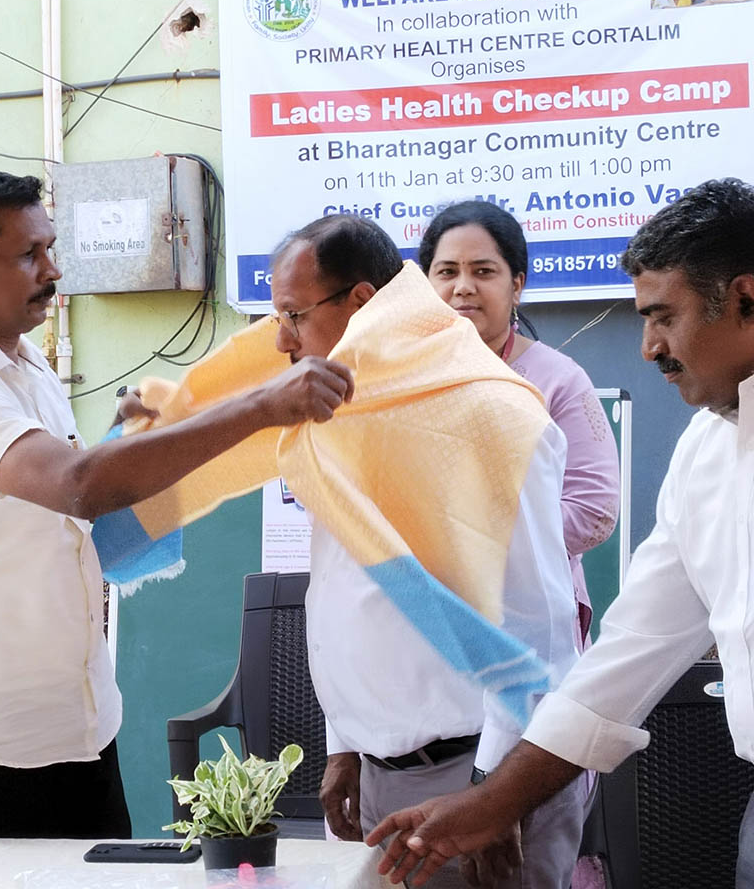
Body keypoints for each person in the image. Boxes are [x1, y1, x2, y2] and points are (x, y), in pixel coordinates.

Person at [0, 170, 354, 840]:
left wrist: (130, 437)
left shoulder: (27, 367)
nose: (53, 270)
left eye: (50, 247)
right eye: (28, 255)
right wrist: (258, 406)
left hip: (81, 729)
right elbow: (79, 485)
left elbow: (67, 510)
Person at [366, 178, 754, 888]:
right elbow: (625, 657)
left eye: (663, 317)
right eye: (444, 273)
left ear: (746, 298)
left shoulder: (549, 387)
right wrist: (491, 802)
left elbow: (582, 525)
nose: (648, 348)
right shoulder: (704, 452)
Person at [272, 214, 585, 888]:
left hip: (478, 777)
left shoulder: (486, 414)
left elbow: (537, 624)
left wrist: (495, 793)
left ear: (359, 303)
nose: (281, 340)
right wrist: (347, 745)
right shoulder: (341, 420)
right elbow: (342, 596)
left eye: (294, 314)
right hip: (387, 777)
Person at [419, 201, 620, 652]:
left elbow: (594, 514)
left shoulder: (558, 381)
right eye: (446, 272)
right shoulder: (401, 379)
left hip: (532, 632)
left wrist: (477, 539)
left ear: (517, 285)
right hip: (427, 632)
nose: (463, 287)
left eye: (483, 271)